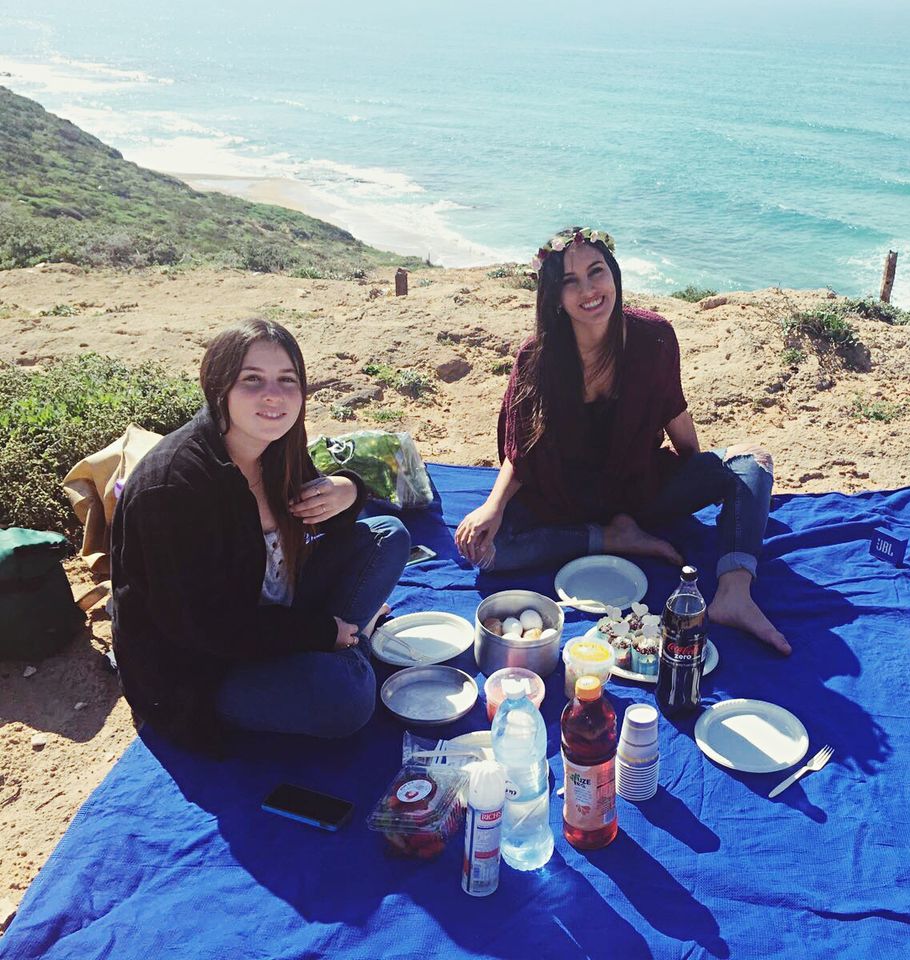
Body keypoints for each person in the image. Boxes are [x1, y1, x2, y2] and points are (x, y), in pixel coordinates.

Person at [455, 227, 788, 654]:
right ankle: (612, 539)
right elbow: (521, 449)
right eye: (570, 281)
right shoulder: (536, 356)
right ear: (554, 296)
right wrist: (492, 506)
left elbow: (675, 413)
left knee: (751, 463)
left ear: (614, 273)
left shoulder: (655, 335)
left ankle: (734, 593)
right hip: (564, 499)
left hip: (639, 488)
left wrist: (703, 481)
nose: (588, 290)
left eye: (597, 272)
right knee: (486, 551)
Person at [111, 318, 409, 753]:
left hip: (273, 607)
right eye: (252, 380)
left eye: (287, 380)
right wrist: (321, 632)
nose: (274, 395)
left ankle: (344, 645)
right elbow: (205, 630)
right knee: (347, 699)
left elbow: (320, 513)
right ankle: (346, 645)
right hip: (206, 668)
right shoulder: (175, 487)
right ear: (220, 388)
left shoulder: (274, 447)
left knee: (388, 535)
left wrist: (348, 490)